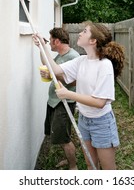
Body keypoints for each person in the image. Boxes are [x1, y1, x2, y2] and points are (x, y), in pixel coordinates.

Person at [33, 22, 125, 170]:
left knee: (108, 169)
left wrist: (68, 94)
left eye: (84, 31)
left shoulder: (104, 65)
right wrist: (43, 47)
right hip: (84, 120)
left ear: (93, 40)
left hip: (101, 123)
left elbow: (100, 102)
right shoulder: (81, 60)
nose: (80, 33)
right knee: (90, 164)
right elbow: (56, 70)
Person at [34, 27, 79, 170]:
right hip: (54, 101)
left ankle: (73, 167)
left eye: (51, 41)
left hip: (64, 103)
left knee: (64, 139)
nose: (50, 44)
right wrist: (41, 47)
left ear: (57, 41)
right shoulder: (60, 55)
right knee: (61, 136)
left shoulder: (74, 56)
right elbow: (47, 63)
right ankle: (69, 159)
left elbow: (76, 81)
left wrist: (54, 76)